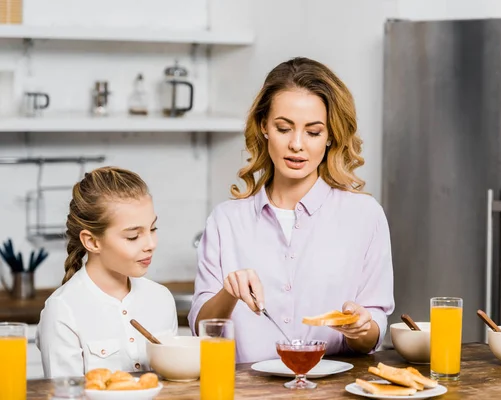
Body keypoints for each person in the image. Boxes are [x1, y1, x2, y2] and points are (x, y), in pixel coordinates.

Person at [188, 57, 394, 363]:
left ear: (330, 137)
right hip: (246, 392)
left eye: (313, 132)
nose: (297, 144)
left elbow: (373, 333)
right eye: (284, 128)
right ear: (264, 127)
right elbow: (203, 331)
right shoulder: (226, 221)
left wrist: (361, 327)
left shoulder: (365, 216)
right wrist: (229, 294)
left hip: (334, 391)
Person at [36, 166, 177, 378]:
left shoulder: (161, 299)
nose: (151, 244)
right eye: (133, 236)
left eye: (153, 229)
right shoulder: (62, 311)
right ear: (92, 241)